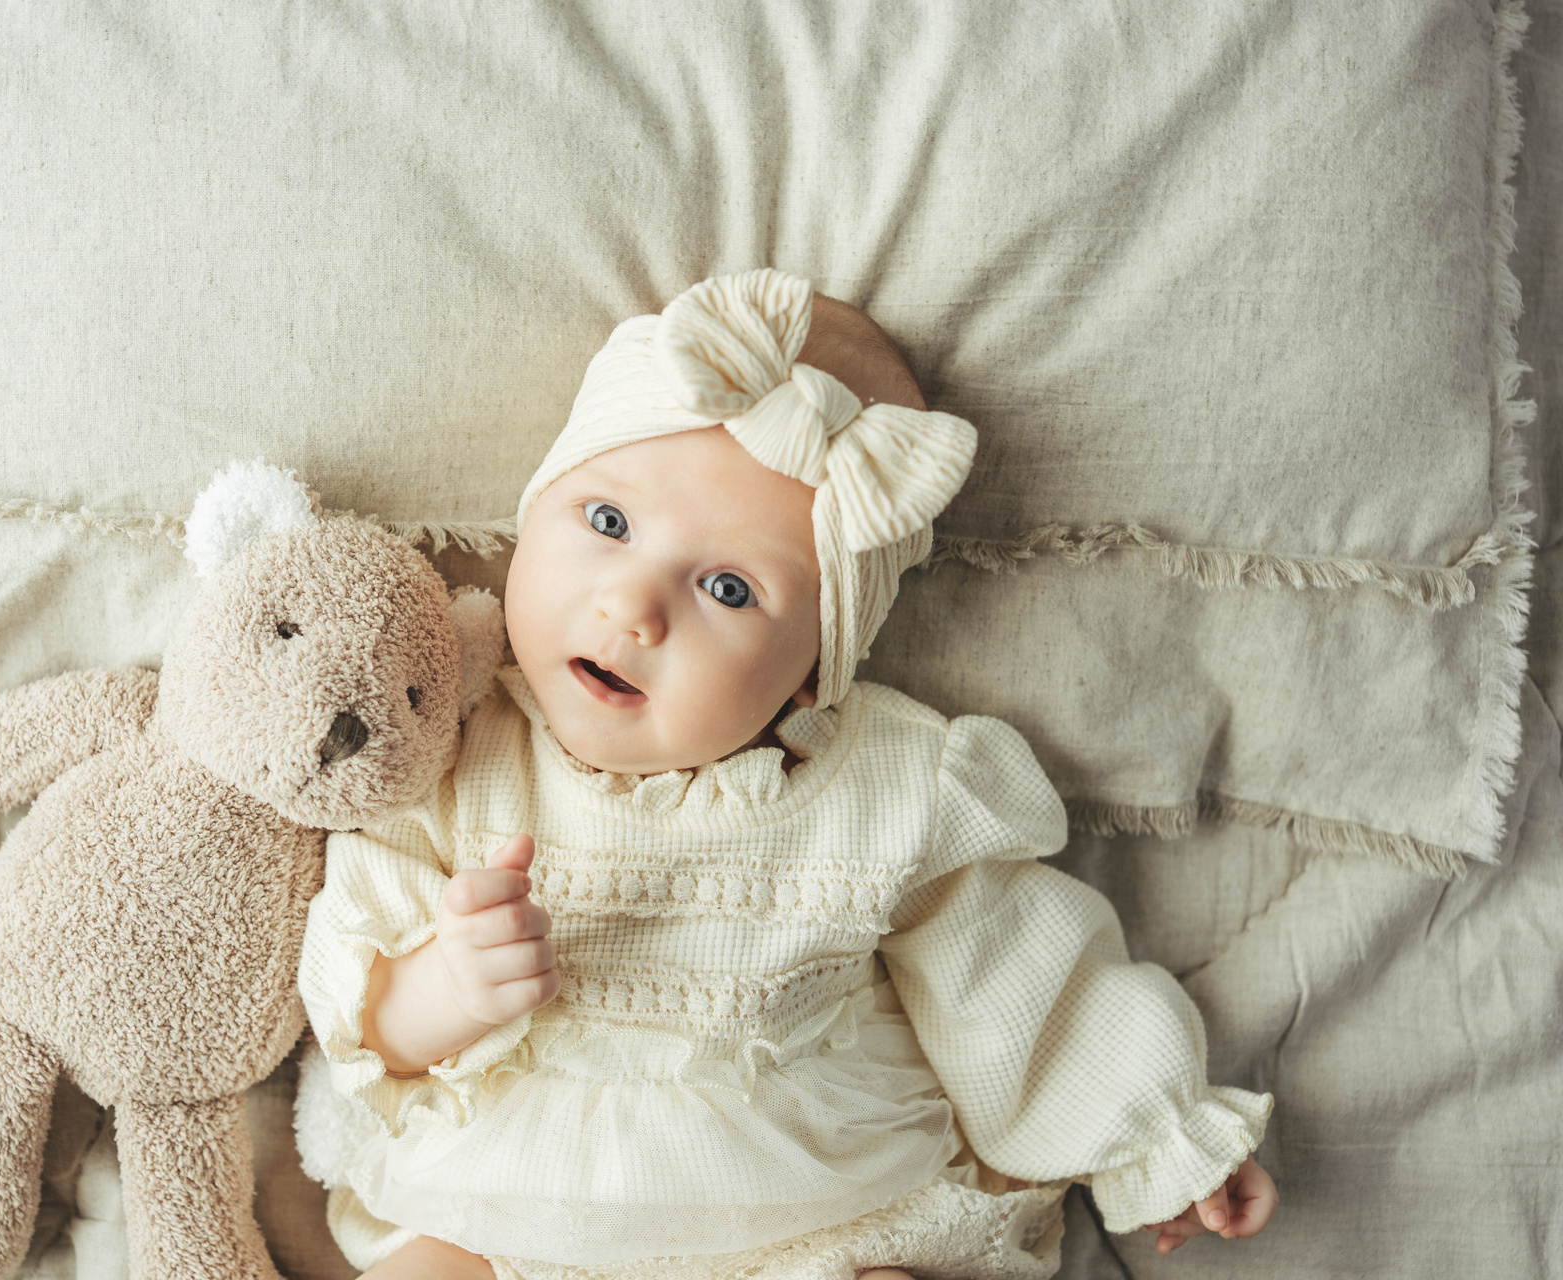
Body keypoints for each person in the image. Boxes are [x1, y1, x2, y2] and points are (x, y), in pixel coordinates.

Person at [293, 268, 1278, 1280]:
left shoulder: (890, 792)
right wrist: (445, 987)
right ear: (532, 512)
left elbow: (1022, 983)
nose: (634, 606)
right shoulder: (455, 751)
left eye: (727, 588)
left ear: (812, 670)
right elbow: (360, 1008)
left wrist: (1160, 1137)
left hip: (811, 1221)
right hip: (505, 1208)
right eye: (607, 522)